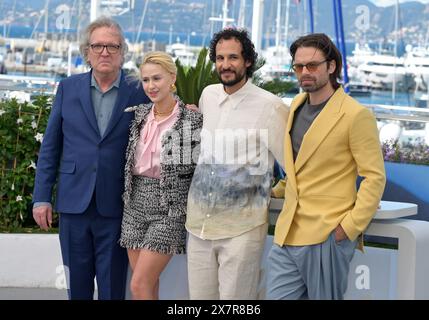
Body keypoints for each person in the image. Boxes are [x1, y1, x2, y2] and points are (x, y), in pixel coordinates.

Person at [31, 16, 149, 300]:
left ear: (122, 52)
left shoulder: (139, 90)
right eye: (98, 46)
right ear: (87, 52)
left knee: (112, 288)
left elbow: (161, 127)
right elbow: (50, 148)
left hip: (118, 205)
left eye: (112, 46)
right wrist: (41, 197)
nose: (105, 52)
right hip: (73, 204)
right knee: (78, 289)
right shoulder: (68, 88)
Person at [267, 33, 386, 300]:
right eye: (298, 66)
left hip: (327, 235)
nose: (304, 72)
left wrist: (349, 228)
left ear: (331, 66)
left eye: (312, 65)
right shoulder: (296, 105)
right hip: (287, 234)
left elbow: (374, 177)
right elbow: (300, 168)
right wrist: (276, 191)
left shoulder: (356, 115)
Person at [185, 27, 289, 300]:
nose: (225, 65)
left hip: (241, 230)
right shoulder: (208, 95)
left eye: (233, 57)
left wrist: (277, 191)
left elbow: (293, 164)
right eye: (220, 58)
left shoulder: (270, 106)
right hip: (199, 225)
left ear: (248, 61)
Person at [119, 51, 202, 300]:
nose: (151, 86)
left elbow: (199, 166)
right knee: (146, 284)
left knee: (139, 284)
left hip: (168, 209)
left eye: (157, 78)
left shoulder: (192, 120)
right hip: (133, 204)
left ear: (172, 78)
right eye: (146, 80)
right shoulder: (139, 115)